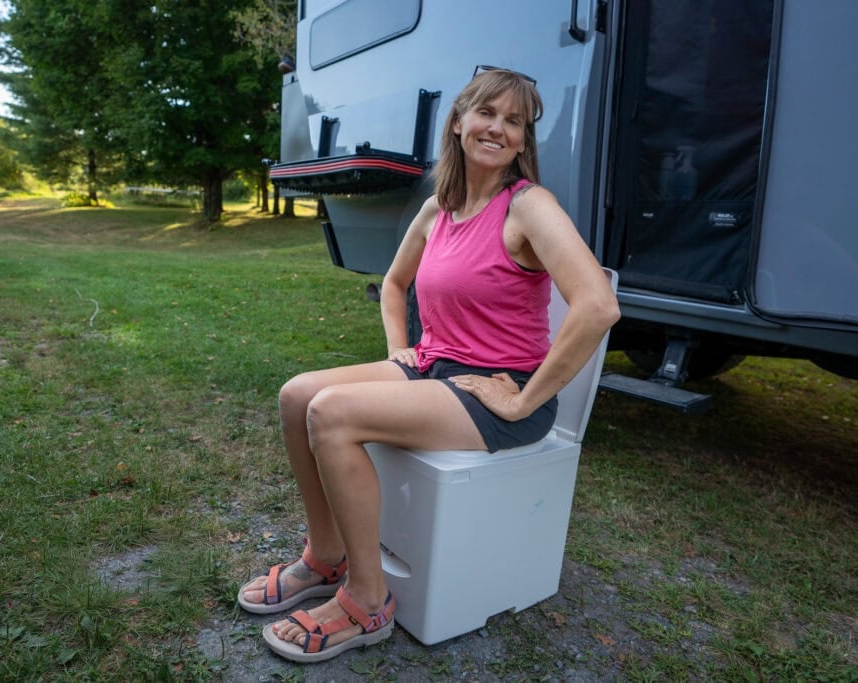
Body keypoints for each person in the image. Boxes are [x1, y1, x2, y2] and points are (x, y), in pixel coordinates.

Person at [237, 67, 620, 663]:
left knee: (332, 414)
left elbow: (597, 306)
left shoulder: (529, 206)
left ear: (524, 140)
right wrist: (399, 347)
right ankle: (325, 556)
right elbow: (394, 284)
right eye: (487, 113)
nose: (499, 128)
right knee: (296, 395)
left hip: (501, 394)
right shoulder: (438, 210)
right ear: (459, 120)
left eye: (514, 121)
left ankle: (366, 602)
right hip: (435, 367)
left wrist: (525, 399)